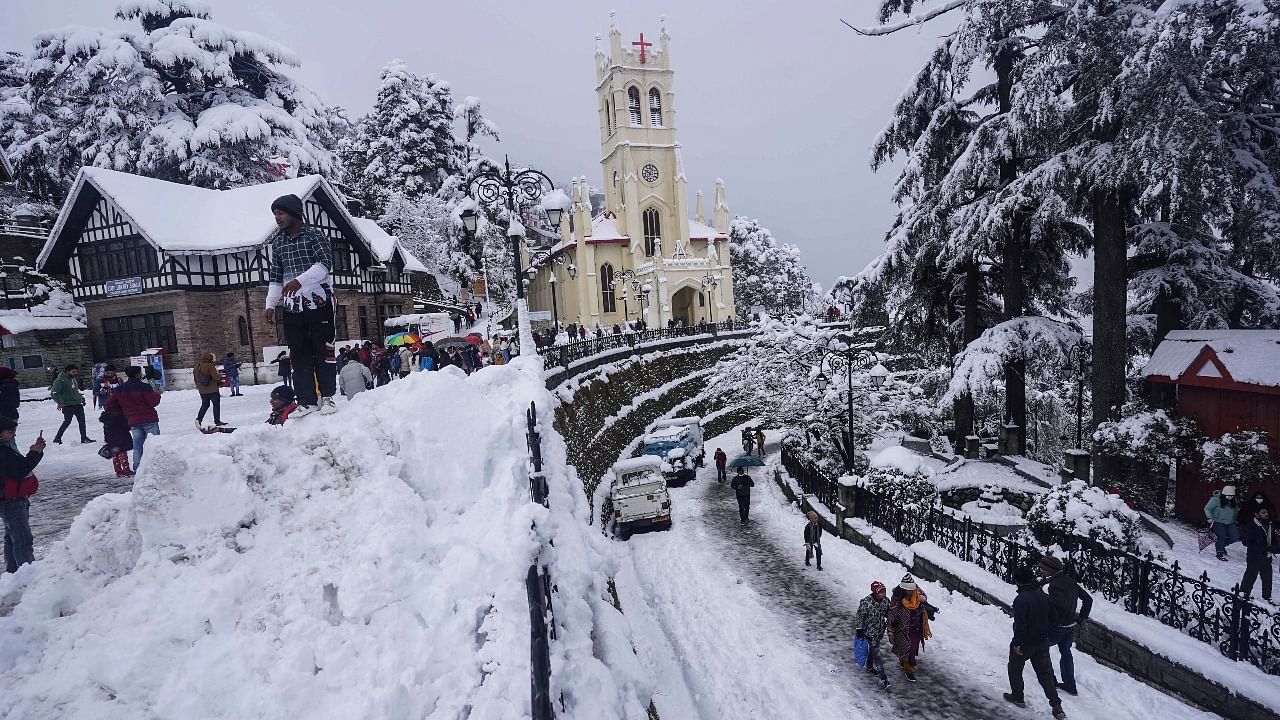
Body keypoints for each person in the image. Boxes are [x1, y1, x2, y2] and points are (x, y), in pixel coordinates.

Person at [262, 193, 337, 417]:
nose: (277, 217)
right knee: (298, 354)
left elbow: (324, 265)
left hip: (319, 303)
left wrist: (299, 280)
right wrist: (270, 305)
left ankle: (328, 397)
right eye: (275, 213)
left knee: (323, 351)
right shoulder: (278, 244)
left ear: (294, 213)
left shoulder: (314, 235)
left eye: (281, 212)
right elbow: (276, 277)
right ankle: (307, 401)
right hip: (292, 307)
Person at [1004, 565, 1066, 719]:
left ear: (1018, 581)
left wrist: (1017, 644)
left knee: (1014, 668)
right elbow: (1054, 618)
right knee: (1045, 675)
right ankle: (1057, 707)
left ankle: (1018, 697)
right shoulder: (1043, 596)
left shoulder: (1020, 600)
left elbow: (1021, 626)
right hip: (1042, 641)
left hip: (1025, 643)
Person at [1038, 554, 1092, 696]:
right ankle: (1070, 685)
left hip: (1056, 627)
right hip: (1069, 626)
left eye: (1043, 569)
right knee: (1066, 653)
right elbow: (1088, 599)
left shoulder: (1054, 586)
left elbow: (1058, 606)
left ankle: (1051, 680)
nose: (1041, 571)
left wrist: (1047, 613)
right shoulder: (1070, 581)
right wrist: (1081, 619)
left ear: (1050, 570)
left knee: (1041, 648)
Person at [0, 416, 43, 573]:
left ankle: (14, 573)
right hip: (11, 501)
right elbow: (18, 471)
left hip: (10, 499)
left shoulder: (5, 449)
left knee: (12, 538)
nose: (14, 435)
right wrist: (34, 454)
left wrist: (34, 452)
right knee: (22, 538)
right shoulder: (3, 451)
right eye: (10, 432)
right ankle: (27, 574)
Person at [105, 366, 161, 472]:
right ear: (138, 375)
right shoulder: (144, 387)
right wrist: (157, 393)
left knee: (137, 446)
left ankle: (138, 468)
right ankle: (156, 468)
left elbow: (109, 403)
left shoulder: (120, 389)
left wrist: (123, 408)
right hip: (149, 419)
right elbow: (153, 402)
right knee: (155, 444)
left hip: (133, 420)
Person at [885, 574, 932, 681]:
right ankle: (906, 665)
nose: (910, 592)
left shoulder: (918, 592)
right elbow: (892, 614)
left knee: (912, 648)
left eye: (911, 590)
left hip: (916, 627)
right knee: (904, 648)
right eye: (908, 590)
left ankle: (909, 667)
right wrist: (890, 631)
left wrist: (922, 599)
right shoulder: (897, 597)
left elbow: (924, 598)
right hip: (902, 629)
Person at [854, 580, 892, 689]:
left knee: (873, 650)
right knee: (877, 655)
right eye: (881, 592)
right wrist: (859, 628)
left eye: (884, 591)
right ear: (875, 593)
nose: (883, 594)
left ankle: (869, 667)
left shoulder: (885, 601)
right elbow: (860, 616)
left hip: (879, 632)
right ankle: (884, 679)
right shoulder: (866, 602)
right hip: (869, 632)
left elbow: (888, 613)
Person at [1240, 505, 1276, 601]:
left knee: (1267, 578)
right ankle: (1243, 594)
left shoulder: (1270, 524)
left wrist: (1274, 548)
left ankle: (1267, 597)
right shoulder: (1252, 525)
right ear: (1257, 514)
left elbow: (1273, 540)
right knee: (1251, 575)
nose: (1266, 515)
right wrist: (1261, 548)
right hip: (1254, 556)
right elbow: (1245, 541)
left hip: (1267, 556)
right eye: (1263, 513)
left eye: (1267, 512)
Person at [51, 364, 94, 444]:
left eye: (76, 371)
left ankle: (84, 438)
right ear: (67, 371)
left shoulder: (73, 379)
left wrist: (82, 399)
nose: (75, 373)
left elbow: (75, 391)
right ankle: (57, 438)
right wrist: (60, 402)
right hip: (68, 405)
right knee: (67, 421)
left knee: (82, 422)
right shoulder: (60, 380)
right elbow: (54, 393)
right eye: (73, 371)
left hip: (77, 404)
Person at [1205, 485, 1241, 561]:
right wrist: (1210, 517)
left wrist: (1236, 519)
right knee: (1220, 537)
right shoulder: (1215, 500)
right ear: (1224, 494)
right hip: (1218, 521)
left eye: (1231, 496)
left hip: (1231, 522)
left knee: (1235, 537)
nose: (1230, 497)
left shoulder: (1234, 500)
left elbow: (1235, 511)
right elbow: (1207, 508)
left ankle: (1222, 545)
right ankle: (1219, 552)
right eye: (1228, 496)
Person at [99, 404, 134, 478]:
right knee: (123, 453)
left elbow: (106, 429)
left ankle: (118, 470)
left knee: (115, 453)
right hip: (121, 437)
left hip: (111, 438)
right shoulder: (120, 415)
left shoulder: (107, 416)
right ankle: (126, 470)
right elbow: (126, 426)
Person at [193, 352, 224, 430]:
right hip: (212, 389)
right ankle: (217, 421)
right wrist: (220, 376)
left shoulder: (197, 366)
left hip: (202, 391)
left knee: (205, 405)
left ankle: (199, 420)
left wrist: (199, 388)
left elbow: (195, 379)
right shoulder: (210, 366)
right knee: (216, 404)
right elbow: (216, 377)